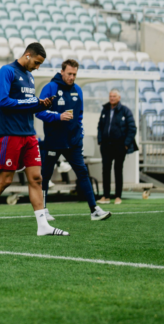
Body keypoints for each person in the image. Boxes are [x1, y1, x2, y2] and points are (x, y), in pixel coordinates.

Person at [0, 43, 66, 237]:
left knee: (36, 179)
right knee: (5, 180)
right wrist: (33, 102)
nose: (37, 67)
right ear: (27, 55)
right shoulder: (6, 71)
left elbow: (28, 106)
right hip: (10, 135)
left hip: (29, 135)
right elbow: (3, 101)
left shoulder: (30, 76)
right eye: (37, 62)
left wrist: (41, 105)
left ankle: (43, 226)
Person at [37, 59, 112, 222]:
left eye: (74, 74)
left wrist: (80, 131)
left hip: (73, 142)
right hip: (53, 141)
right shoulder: (50, 88)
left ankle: (94, 210)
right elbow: (39, 112)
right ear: (62, 71)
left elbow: (79, 115)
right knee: (46, 175)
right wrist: (58, 116)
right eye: (69, 73)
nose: (72, 77)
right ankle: (42, 210)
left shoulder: (78, 89)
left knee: (83, 173)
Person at [97, 89, 137, 205]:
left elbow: (132, 128)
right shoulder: (105, 110)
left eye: (114, 96)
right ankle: (106, 196)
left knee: (118, 170)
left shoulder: (125, 111)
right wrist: (100, 141)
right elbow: (100, 126)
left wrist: (125, 145)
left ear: (119, 98)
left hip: (120, 146)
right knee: (105, 171)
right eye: (110, 96)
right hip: (106, 146)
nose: (112, 98)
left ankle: (118, 196)